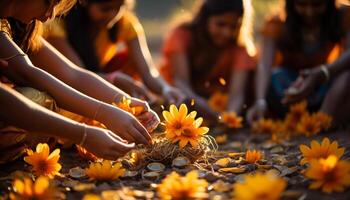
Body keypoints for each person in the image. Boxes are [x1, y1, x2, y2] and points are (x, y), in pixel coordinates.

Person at [0, 0, 158, 163]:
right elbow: (27, 74)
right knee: (38, 99)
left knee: (68, 105)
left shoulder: (17, 27)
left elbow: (71, 74)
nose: (52, 15)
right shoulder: (56, 27)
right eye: (49, 3)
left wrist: (122, 101)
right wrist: (84, 134)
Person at [44, 0, 184, 105]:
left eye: (119, 8)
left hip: (100, 77)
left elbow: (147, 72)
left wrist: (165, 89)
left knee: (128, 59)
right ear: (85, 2)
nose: (113, 15)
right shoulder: (57, 25)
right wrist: (113, 79)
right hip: (65, 85)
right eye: (105, 9)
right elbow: (76, 76)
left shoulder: (124, 22)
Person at [247, 0, 350, 125]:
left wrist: (323, 73)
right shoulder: (277, 24)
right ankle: (299, 121)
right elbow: (264, 65)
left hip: (325, 82)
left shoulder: (343, 16)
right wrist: (260, 101)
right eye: (302, 4)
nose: (309, 12)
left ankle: (323, 121)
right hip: (290, 87)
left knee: (345, 76)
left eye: (317, 4)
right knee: (274, 76)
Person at [160, 0, 256, 120]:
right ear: (205, 18)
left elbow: (237, 95)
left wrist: (229, 118)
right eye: (220, 24)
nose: (227, 32)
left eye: (233, 26)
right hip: (180, 100)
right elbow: (180, 82)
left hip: (215, 106)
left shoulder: (239, 49)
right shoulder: (181, 35)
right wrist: (209, 112)